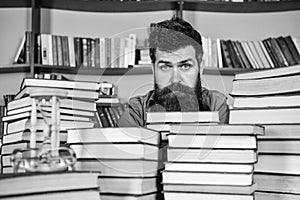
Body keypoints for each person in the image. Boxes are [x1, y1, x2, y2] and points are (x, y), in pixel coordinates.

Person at [118, 17, 229, 127]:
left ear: (201, 67)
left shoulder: (216, 105)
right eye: (166, 67)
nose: (175, 79)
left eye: (185, 66)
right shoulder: (137, 110)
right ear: (153, 70)